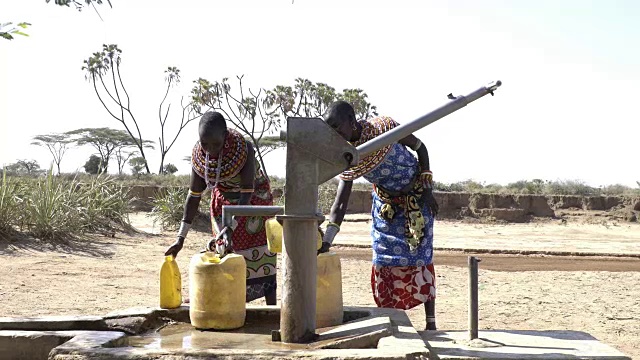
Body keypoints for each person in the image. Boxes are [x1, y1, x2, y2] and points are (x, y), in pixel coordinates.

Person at [320, 101, 440, 330]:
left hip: (417, 199)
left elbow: (420, 147)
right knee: (383, 262)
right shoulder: (347, 157)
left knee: (421, 258)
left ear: (351, 121)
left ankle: (430, 323)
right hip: (387, 209)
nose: (334, 134)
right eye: (330, 129)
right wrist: (328, 239)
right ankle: (392, 321)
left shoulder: (384, 128)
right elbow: (340, 202)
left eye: (337, 126)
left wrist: (427, 188)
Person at [164, 111, 277, 305]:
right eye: (204, 144)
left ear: (225, 137)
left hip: (254, 204)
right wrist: (180, 239)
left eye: (216, 144)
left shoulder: (243, 150)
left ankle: (271, 308)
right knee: (225, 252)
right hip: (223, 205)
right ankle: (229, 302)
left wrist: (230, 227)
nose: (210, 150)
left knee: (260, 255)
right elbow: (194, 197)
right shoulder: (199, 159)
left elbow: (246, 193)